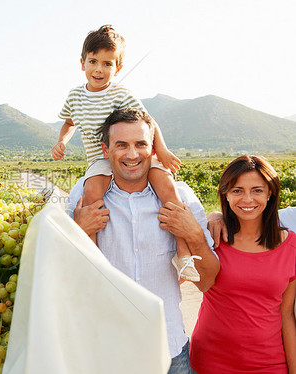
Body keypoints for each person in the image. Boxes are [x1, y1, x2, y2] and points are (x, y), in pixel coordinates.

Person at [69, 107, 220, 373]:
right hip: (105, 356)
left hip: (170, 354)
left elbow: (207, 280)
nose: (131, 154)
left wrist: (193, 233)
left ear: (152, 149)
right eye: (121, 145)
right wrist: (77, 232)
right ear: (105, 150)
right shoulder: (83, 197)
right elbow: (60, 276)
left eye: (140, 144)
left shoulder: (179, 196)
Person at [52, 24, 200, 282]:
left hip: (133, 154)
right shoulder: (74, 96)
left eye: (107, 64)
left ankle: (183, 254)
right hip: (100, 158)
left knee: (167, 187)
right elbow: (68, 122)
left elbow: (148, 122)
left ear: (117, 68)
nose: (99, 69)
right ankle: (92, 255)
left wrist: (160, 150)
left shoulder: (121, 93)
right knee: (90, 196)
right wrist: (62, 141)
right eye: (93, 61)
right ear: (82, 62)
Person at [185, 155, 296, 373]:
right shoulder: (211, 238)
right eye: (237, 190)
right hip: (209, 362)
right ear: (225, 194)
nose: (247, 199)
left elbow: (286, 315)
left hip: (270, 365)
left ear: (270, 193)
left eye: (257, 190)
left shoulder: (291, 246)